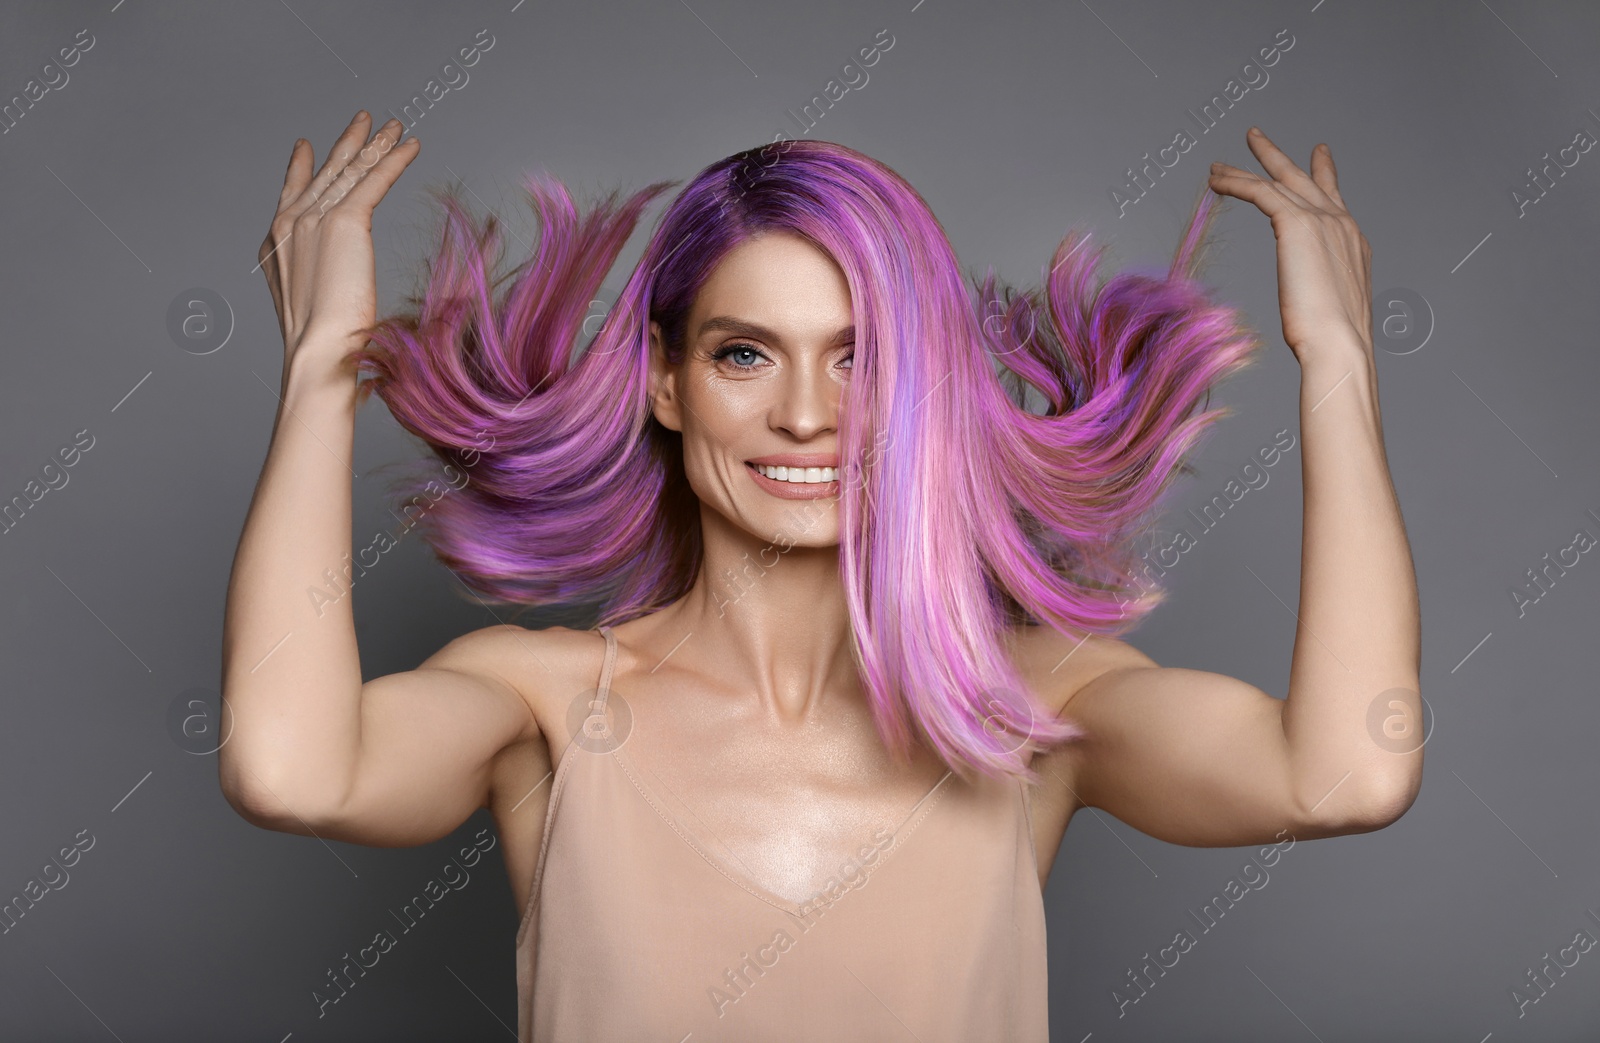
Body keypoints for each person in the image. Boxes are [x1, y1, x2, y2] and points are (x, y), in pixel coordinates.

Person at [220, 111, 1422, 1041]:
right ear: (665, 381)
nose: (806, 415)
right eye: (744, 353)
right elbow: (291, 771)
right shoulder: (541, 703)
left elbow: (1346, 774)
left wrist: (1340, 364)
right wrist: (327, 366)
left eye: (865, 359)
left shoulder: (1030, 709)